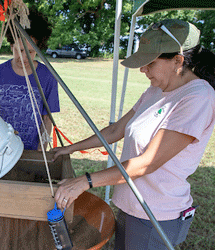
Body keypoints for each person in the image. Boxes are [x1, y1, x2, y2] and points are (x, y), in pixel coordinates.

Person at [51, 19, 215, 249]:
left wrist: (85, 182)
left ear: (177, 61)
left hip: (156, 214)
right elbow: (117, 130)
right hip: (132, 206)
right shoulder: (157, 89)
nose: (143, 69)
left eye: (150, 62)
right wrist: (70, 148)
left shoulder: (198, 98)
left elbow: (147, 163)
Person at [0, 8, 60, 151]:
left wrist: (41, 149)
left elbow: (47, 119)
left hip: (32, 149)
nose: (23, 58)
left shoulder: (47, 77)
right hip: (1, 150)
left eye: (30, 52)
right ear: (11, 46)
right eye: (19, 50)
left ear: (38, 49)